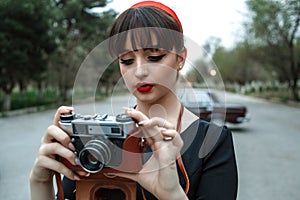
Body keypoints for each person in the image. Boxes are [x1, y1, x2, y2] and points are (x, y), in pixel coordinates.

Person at [30, 1, 238, 200]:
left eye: (154, 57)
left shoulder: (211, 141)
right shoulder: (99, 135)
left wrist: (172, 194)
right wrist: (40, 182)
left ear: (180, 58)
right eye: (127, 61)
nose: (139, 71)